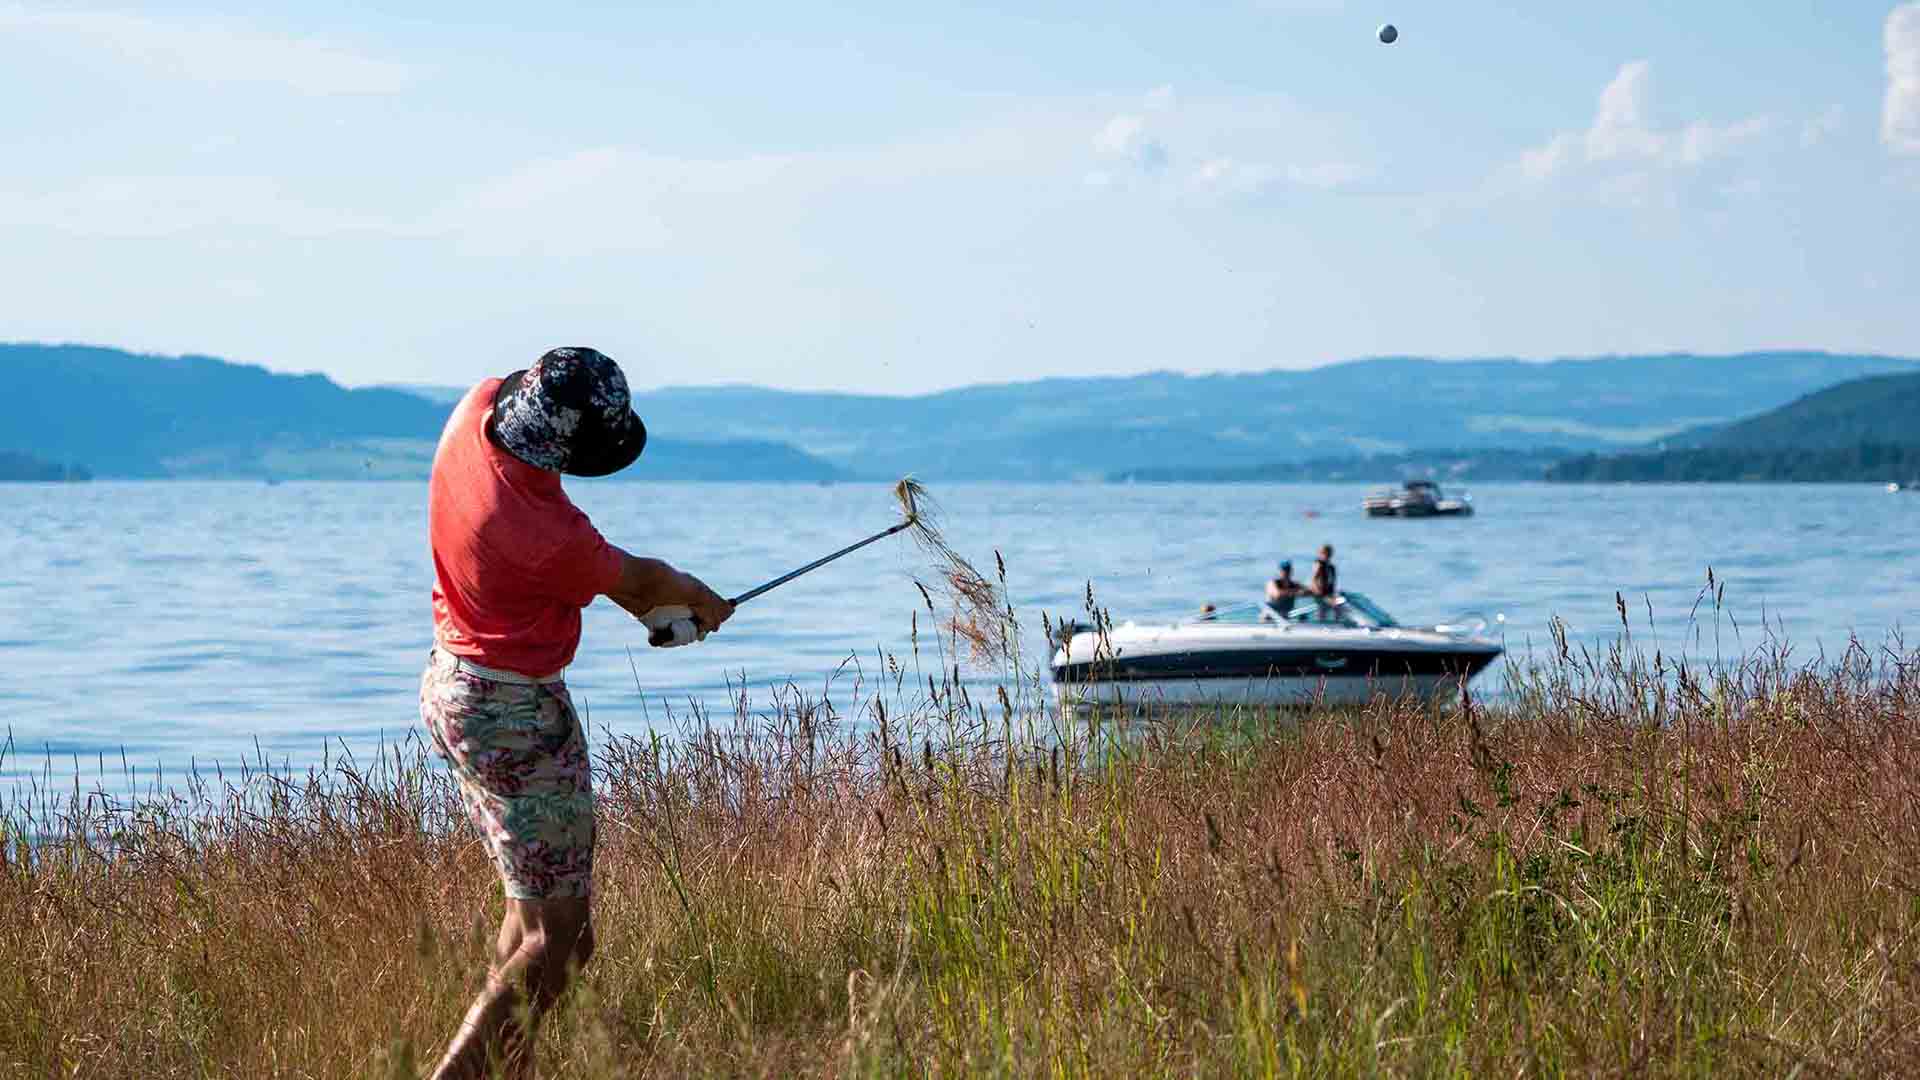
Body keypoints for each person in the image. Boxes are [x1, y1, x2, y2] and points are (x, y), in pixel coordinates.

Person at [419, 347, 734, 1079]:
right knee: (559, 938)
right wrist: (702, 602)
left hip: (455, 684)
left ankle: (509, 1071)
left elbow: (632, 588)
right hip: (512, 712)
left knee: (531, 921)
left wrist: (670, 605)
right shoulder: (541, 533)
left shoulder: (476, 409)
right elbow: (643, 584)